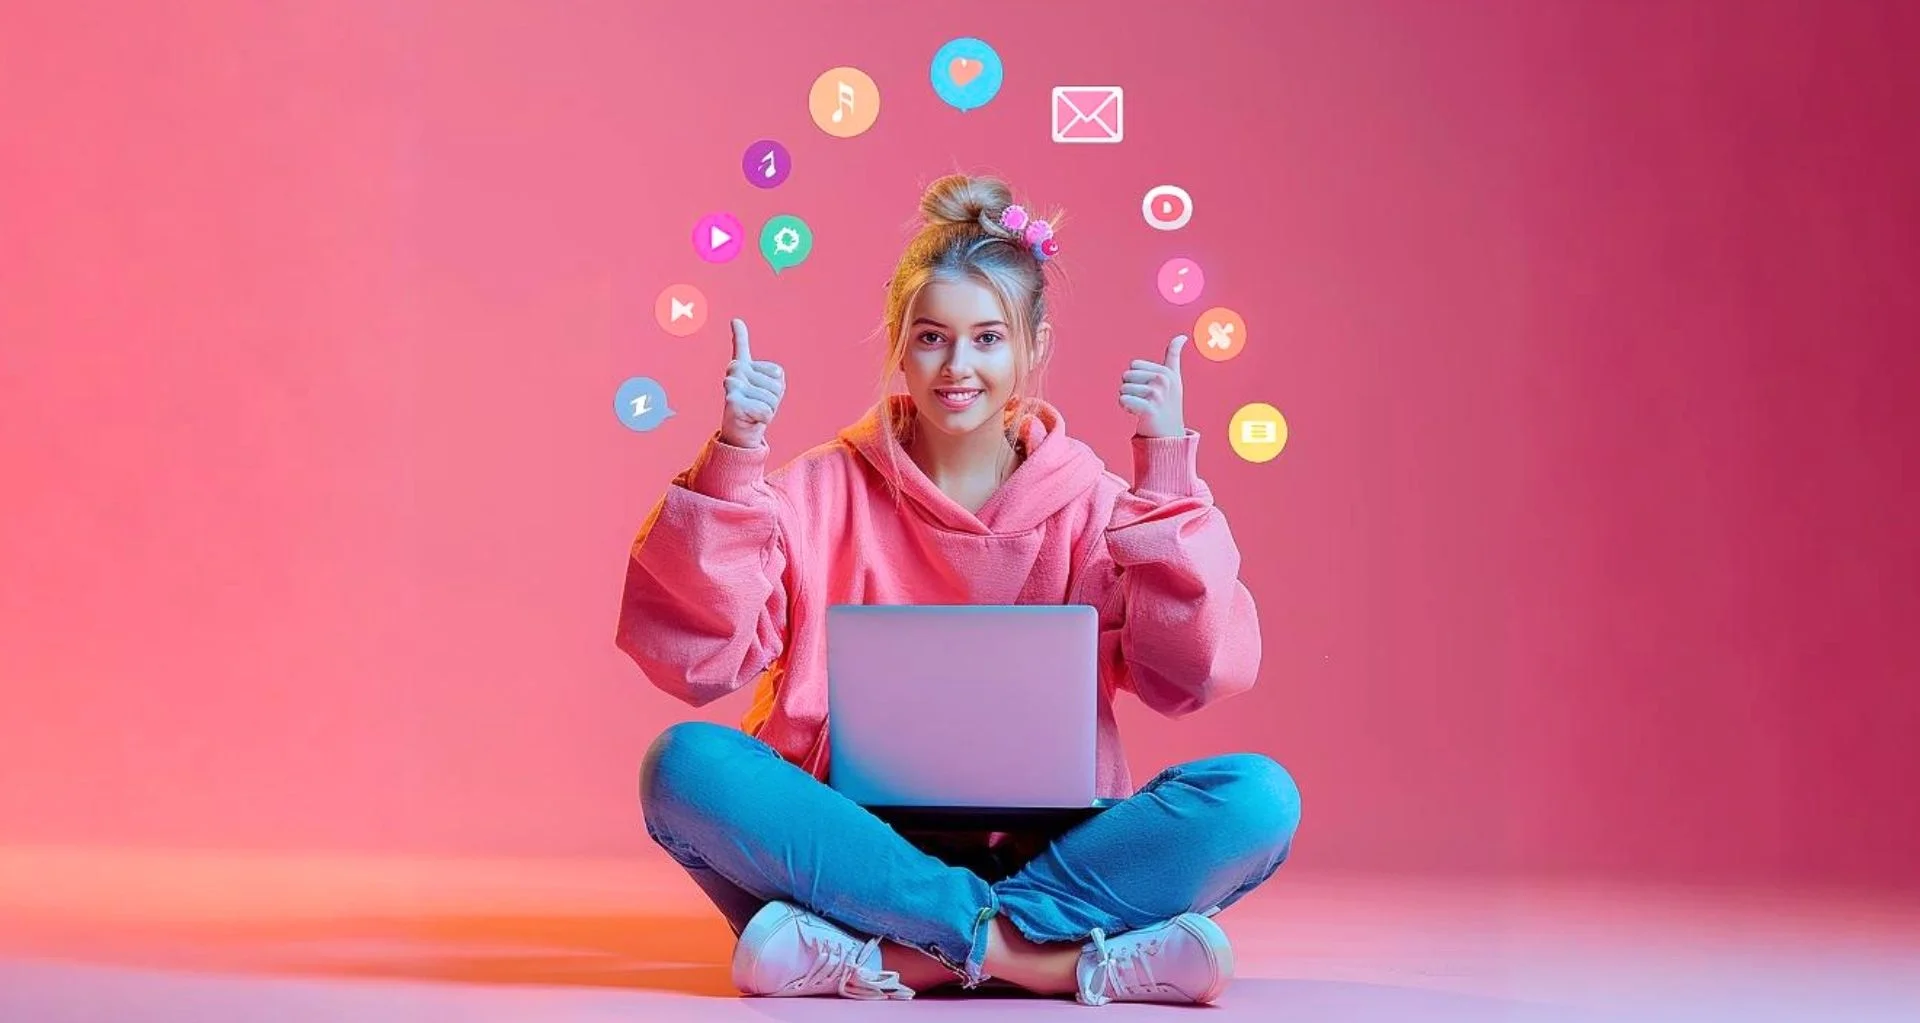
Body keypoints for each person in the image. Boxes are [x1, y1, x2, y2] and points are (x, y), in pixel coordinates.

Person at [618, 174, 1301, 1006]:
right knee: (684, 765)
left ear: (1032, 347)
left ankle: (886, 957)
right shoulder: (820, 488)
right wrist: (735, 451)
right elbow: (699, 654)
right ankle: (1054, 960)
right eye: (933, 337)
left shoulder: (1090, 501)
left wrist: (1165, 472)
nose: (958, 366)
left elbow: (1186, 672)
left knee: (1258, 797)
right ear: (900, 344)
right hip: (849, 847)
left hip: (1056, 850)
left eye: (987, 338)